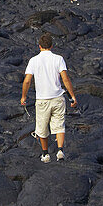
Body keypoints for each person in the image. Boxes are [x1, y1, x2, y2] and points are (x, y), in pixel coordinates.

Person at [21, 32, 77, 163]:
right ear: (51, 46)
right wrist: (73, 96)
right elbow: (65, 79)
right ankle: (60, 151)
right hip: (58, 97)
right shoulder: (58, 59)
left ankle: (45, 154)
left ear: (39, 46)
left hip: (42, 100)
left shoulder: (34, 61)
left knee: (41, 128)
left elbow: (27, 81)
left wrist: (23, 96)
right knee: (59, 125)